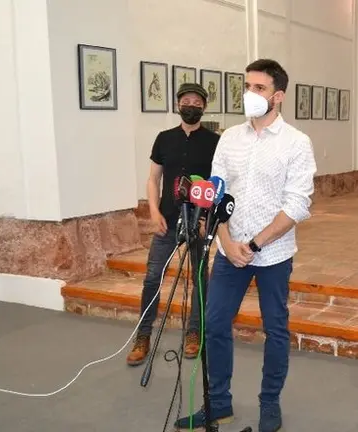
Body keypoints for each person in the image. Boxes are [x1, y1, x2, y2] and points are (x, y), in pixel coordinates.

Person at [175, 59, 317, 432]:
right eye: (247, 86)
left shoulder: (296, 143)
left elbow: (296, 205)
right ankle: (218, 403)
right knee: (214, 323)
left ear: (278, 96)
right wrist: (226, 239)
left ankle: (269, 403)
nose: (250, 94)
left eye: (259, 88)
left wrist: (254, 244)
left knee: (276, 329)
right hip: (229, 250)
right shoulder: (230, 138)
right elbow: (215, 194)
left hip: (273, 254)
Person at [126, 83, 219, 366]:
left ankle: (194, 332)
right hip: (167, 220)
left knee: (199, 278)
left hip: (199, 221)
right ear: (178, 105)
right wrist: (154, 212)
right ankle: (143, 336)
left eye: (197, 102)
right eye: (186, 101)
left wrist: (205, 218)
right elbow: (153, 179)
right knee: (153, 277)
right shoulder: (164, 139)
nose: (191, 106)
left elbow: (217, 184)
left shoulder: (215, 142)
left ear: (204, 106)